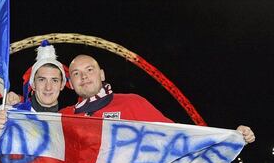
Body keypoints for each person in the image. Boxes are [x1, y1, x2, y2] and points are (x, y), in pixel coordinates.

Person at [59, 54, 256, 145]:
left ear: (102, 74)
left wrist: (231, 137)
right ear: (71, 82)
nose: (83, 76)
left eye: (89, 70)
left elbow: (178, 137)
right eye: (76, 73)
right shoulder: (63, 117)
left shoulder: (131, 103)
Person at [0, 40, 68, 162]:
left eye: (54, 80)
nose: (48, 87)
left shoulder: (67, 124)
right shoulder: (12, 113)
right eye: (41, 80)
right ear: (33, 85)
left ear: (62, 85)